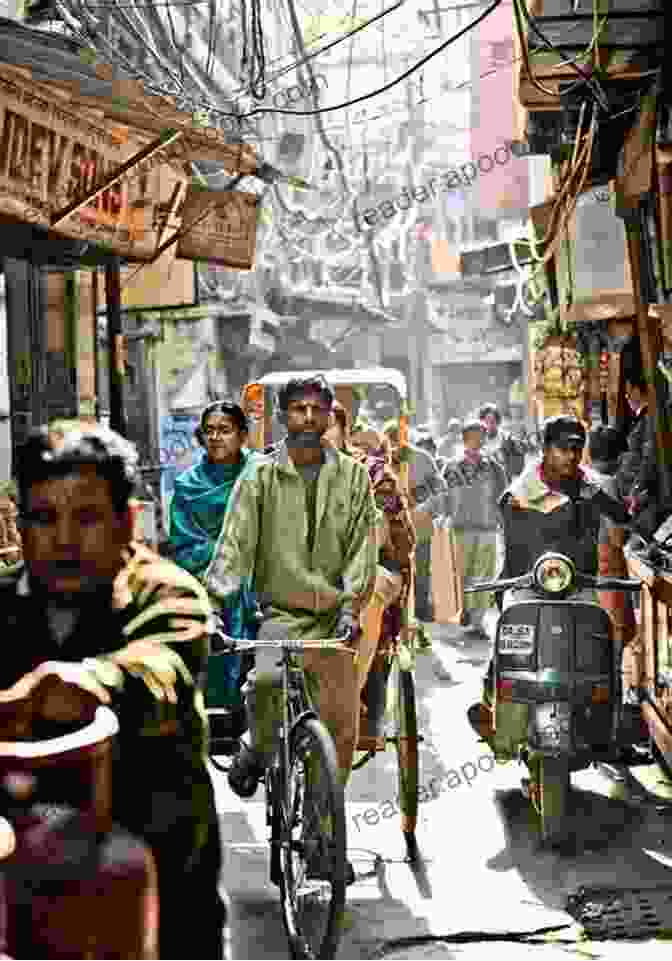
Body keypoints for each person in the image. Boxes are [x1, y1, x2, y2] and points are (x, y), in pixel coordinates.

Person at [0, 423, 226, 958]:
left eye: (86, 518)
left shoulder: (166, 594)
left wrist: (90, 683)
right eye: (43, 518)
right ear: (20, 525)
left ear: (126, 521)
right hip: (19, 893)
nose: (64, 539)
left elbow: (161, 668)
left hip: (160, 889)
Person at [206, 376, 378, 804]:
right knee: (264, 684)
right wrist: (211, 606)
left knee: (340, 727)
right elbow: (235, 544)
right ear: (283, 416)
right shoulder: (258, 476)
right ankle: (256, 751)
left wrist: (352, 606)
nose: (307, 416)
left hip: (336, 621)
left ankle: (323, 832)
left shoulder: (354, 477)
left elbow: (362, 548)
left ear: (328, 416)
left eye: (316, 409)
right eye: (298, 408)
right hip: (280, 618)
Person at [467, 416, 630, 782]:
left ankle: (606, 727)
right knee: (510, 638)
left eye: (576, 448)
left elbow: (621, 516)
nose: (571, 455)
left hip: (580, 586)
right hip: (529, 583)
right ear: (545, 449)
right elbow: (509, 547)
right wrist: (503, 585)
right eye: (562, 448)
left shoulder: (589, 486)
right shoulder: (520, 491)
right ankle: (495, 706)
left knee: (604, 645)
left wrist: (616, 505)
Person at [169, 401, 261, 714]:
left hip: (263, 580)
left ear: (243, 435)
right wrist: (227, 552)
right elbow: (184, 547)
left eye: (225, 430)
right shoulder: (187, 487)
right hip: (209, 584)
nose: (216, 437)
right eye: (209, 431)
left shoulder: (262, 475)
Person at [442, 420, 507, 638]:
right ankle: (465, 611)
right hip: (460, 527)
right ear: (465, 438)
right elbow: (442, 496)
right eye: (474, 435)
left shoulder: (494, 467)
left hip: (487, 527)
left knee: (484, 575)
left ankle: (477, 621)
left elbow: (503, 496)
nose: (479, 440)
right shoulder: (452, 466)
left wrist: (504, 523)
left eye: (482, 435)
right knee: (462, 574)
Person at [383, 419, 446, 622]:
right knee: (394, 571)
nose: (394, 445)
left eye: (397, 440)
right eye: (390, 441)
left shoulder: (423, 458)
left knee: (421, 571)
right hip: (391, 531)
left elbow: (439, 488)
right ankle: (398, 615)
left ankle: (419, 611)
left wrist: (425, 509)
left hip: (420, 526)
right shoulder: (381, 460)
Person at [588, 424, 636, 659]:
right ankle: (613, 693)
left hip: (589, 572)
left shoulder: (584, 477)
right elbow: (616, 538)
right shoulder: (607, 483)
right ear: (616, 456)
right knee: (613, 640)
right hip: (608, 571)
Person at [479, 402, 526, 482]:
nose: (489, 425)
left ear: (497, 422)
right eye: (486, 421)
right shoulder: (477, 439)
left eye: (492, 421)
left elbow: (518, 468)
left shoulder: (507, 439)